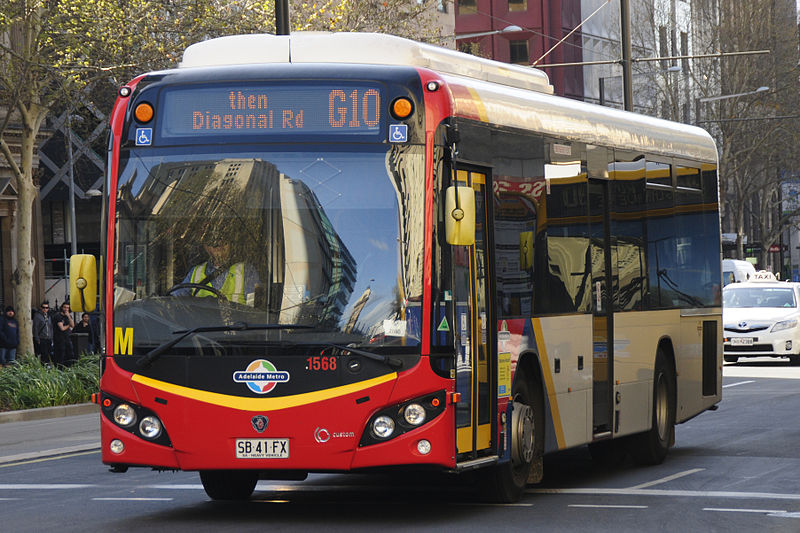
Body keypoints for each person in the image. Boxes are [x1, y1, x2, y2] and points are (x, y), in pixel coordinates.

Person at [179, 238, 259, 305]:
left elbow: (254, 311)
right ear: (206, 247)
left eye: (224, 242)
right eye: (214, 243)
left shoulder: (246, 271)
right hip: (201, 323)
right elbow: (176, 300)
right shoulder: (195, 272)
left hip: (235, 323)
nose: (219, 247)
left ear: (230, 245)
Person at [52, 302, 76, 366]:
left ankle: (69, 367)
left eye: (67, 308)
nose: (66, 309)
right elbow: (62, 328)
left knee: (70, 353)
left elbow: (73, 325)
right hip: (59, 338)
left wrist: (68, 317)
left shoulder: (68, 316)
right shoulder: (58, 316)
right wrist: (69, 325)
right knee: (60, 354)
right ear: (62, 307)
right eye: (65, 307)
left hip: (67, 338)